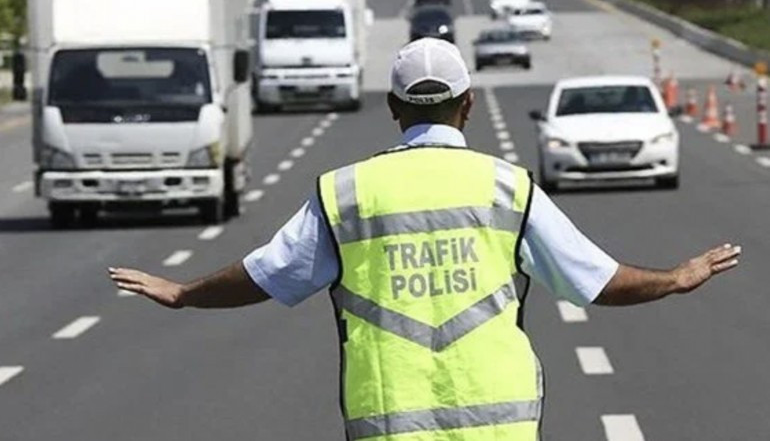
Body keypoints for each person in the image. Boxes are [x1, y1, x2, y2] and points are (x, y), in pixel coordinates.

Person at [109, 38, 741, 441]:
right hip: (503, 425)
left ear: (392, 106)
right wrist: (675, 278)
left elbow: (268, 274)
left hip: (389, 424)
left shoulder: (347, 193)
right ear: (467, 105)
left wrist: (185, 291)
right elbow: (596, 281)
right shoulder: (506, 188)